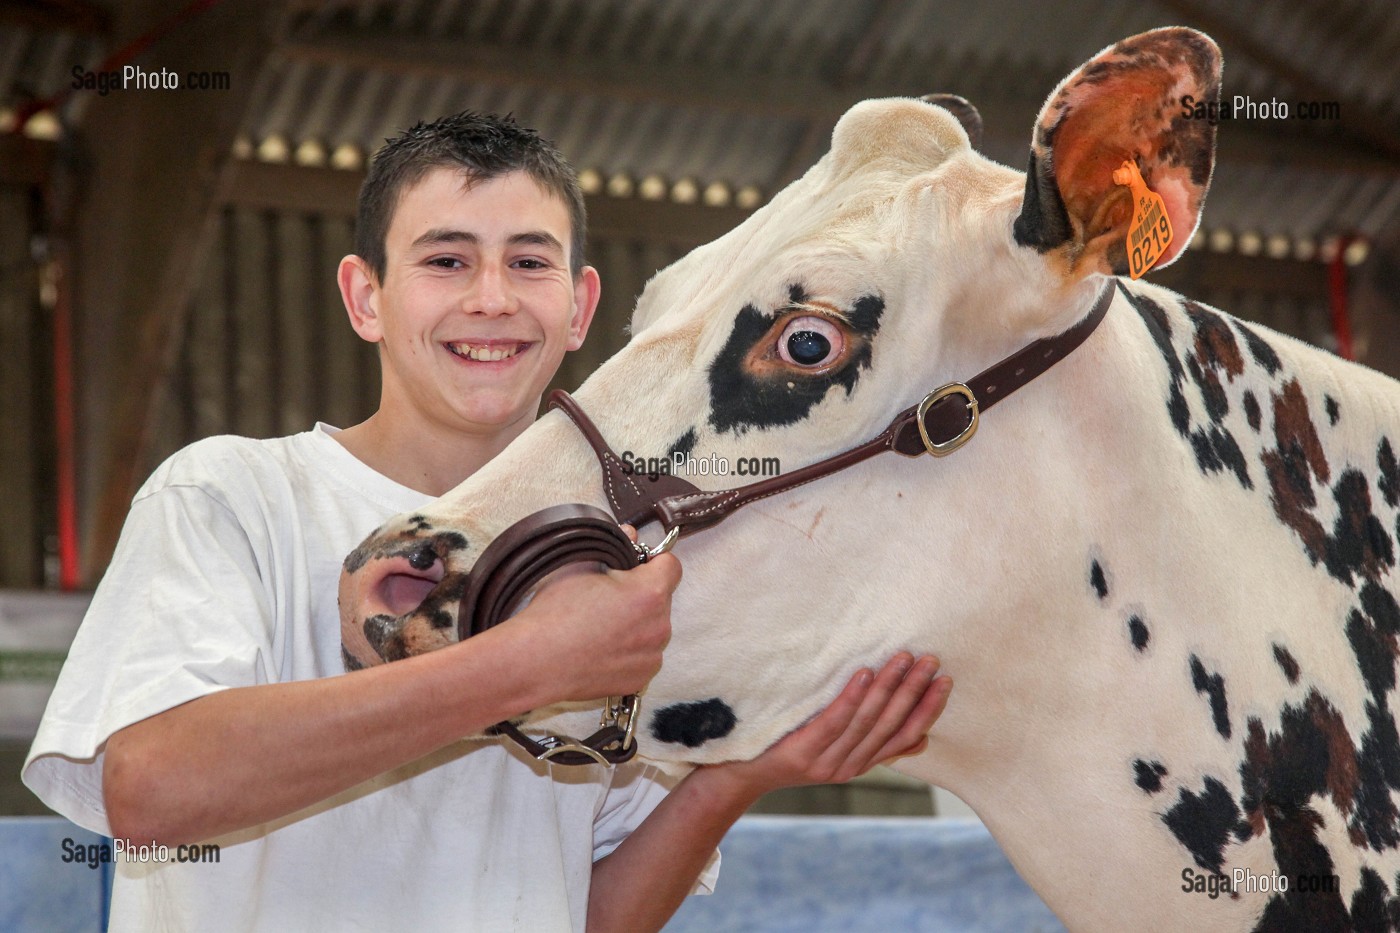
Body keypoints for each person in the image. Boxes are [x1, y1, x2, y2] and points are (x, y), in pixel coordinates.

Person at [23, 111, 952, 931]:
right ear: (365, 297)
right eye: (446, 259)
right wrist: (526, 665)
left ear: (580, 305)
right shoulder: (234, 495)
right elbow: (147, 783)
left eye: (529, 262)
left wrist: (738, 777)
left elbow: (583, 913)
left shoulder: (616, 566)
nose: (493, 299)